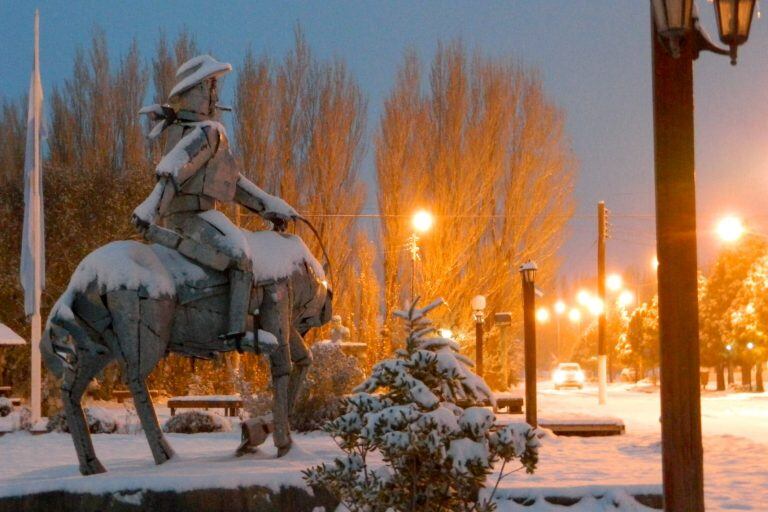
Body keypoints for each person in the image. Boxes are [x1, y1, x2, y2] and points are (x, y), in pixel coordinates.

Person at [132, 54, 297, 343]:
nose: (214, 94)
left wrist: (269, 207)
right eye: (209, 87)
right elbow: (173, 171)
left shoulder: (189, 129)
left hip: (195, 218)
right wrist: (150, 209)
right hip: (191, 220)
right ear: (194, 92)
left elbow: (234, 183)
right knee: (242, 257)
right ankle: (236, 331)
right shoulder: (207, 132)